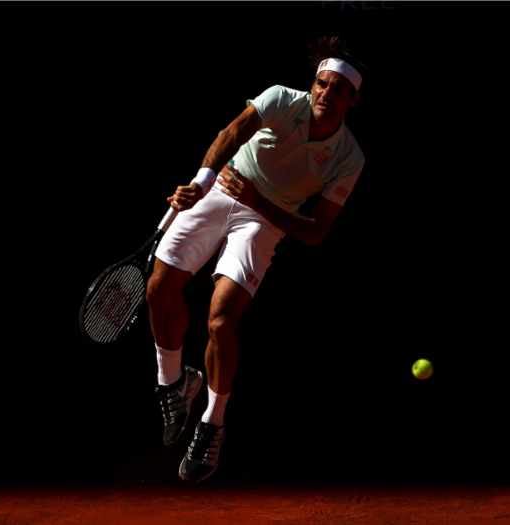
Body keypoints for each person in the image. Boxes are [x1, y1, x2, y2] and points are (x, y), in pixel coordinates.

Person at [146, 36, 366, 482]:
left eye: (338, 89)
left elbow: (316, 232)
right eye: (322, 84)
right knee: (157, 290)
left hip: (266, 221)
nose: (327, 93)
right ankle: (173, 382)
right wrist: (201, 182)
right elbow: (231, 133)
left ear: (353, 100)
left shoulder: (349, 157)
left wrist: (258, 203)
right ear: (313, 85)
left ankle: (212, 424)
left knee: (221, 323)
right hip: (223, 187)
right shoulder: (281, 98)